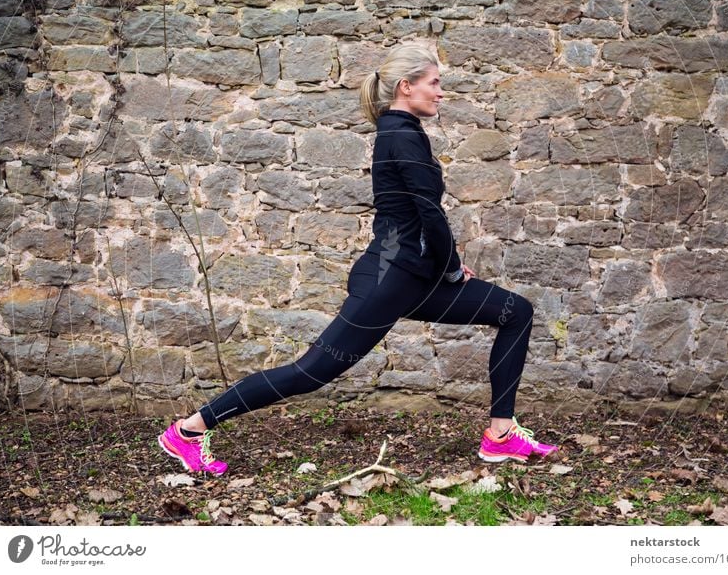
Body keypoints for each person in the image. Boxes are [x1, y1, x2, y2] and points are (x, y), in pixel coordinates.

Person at [158, 43, 558, 475]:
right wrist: (452, 269)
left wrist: (442, 269)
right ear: (406, 87)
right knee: (310, 373)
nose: (441, 93)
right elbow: (431, 215)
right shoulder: (402, 135)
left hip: (411, 278)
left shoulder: (400, 131)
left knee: (515, 311)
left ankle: (500, 435)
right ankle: (188, 431)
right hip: (390, 281)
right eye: (434, 83)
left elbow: (421, 216)